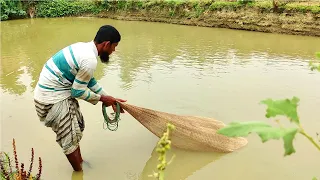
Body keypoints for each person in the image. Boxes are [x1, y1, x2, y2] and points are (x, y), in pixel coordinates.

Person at [33, 25, 126, 171]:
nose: (113, 51)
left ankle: (80, 162)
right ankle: (79, 172)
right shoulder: (89, 60)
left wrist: (110, 98)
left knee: (74, 132)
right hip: (51, 99)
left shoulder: (82, 48)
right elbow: (77, 92)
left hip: (47, 93)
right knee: (69, 138)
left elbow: (89, 81)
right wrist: (103, 99)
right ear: (106, 44)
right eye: (114, 46)